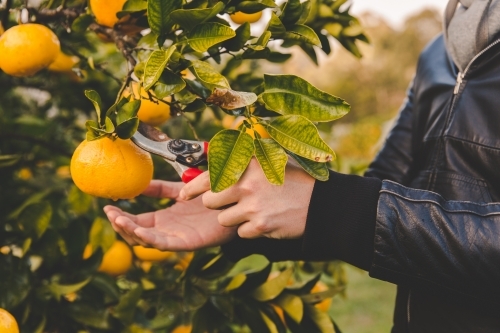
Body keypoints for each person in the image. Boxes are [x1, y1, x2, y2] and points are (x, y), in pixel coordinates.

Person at [104, 0, 500, 331]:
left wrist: (324, 206)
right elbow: (388, 187)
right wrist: (245, 208)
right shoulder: (438, 51)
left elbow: (349, 208)